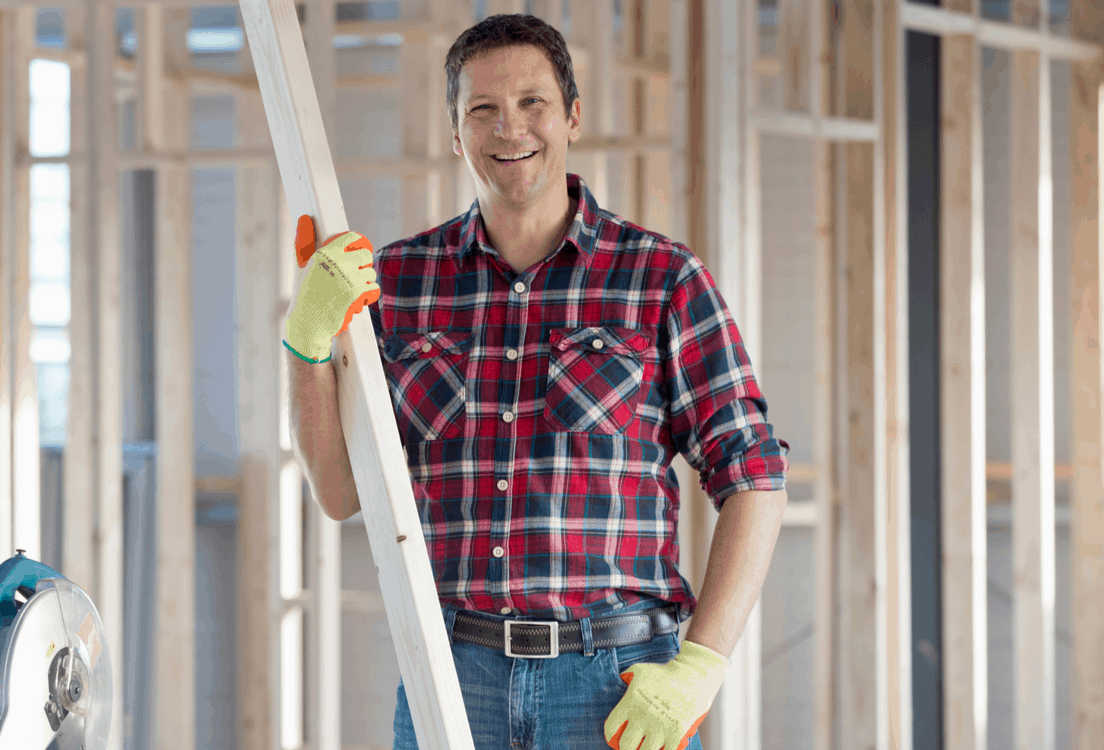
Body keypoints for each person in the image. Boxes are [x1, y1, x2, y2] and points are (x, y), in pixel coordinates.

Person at [282, 13, 790, 750]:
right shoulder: (396, 284)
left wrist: (702, 665)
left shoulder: (660, 279)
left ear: (572, 116)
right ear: (456, 133)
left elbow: (755, 478)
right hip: (451, 674)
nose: (508, 128)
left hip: (614, 682)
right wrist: (306, 347)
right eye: (480, 109)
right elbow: (338, 491)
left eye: (532, 103)